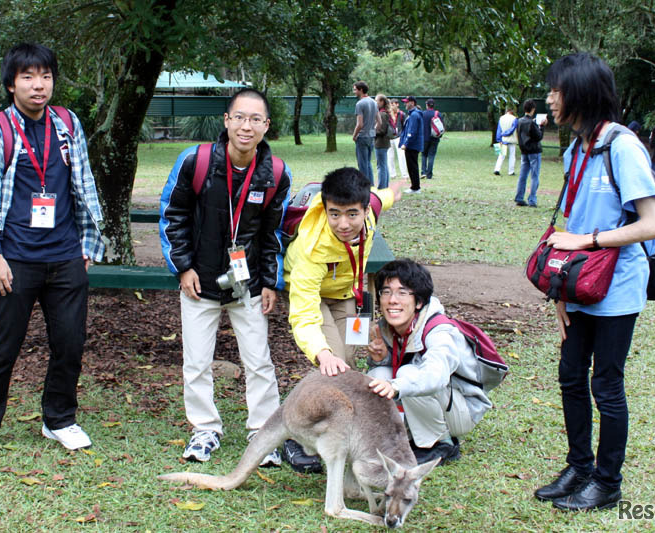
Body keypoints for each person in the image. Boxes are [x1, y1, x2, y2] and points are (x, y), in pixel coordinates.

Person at [0, 43, 105, 459]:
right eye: (27, 77)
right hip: (15, 259)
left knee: (70, 343)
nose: (38, 85)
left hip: (65, 256)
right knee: (2, 345)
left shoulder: (67, 123)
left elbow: (83, 184)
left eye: (44, 76)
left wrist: (84, 245)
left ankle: (59, 419)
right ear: (11, 84)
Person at [537, 52, 655, 512]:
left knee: (605, 384)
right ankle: (580, 467)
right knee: (570, 375)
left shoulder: (622, 146)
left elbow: (653, 224)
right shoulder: (577, 147)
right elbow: (571, 224)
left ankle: (607, 481)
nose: (551, 98)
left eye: (558, 89)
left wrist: (588, 240)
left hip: (618, 288)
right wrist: (561, 292)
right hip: (580, 287)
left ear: (582, 94)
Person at [159, 88, 291, 467]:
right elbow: (173, 215)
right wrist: (182, 267)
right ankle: (204, 429)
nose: (246, 126)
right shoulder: (195, 161)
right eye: (240, 117)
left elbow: (273, 233)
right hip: (199, 281)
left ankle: (263, 432)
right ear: (227, 120)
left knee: (259, 360)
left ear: (266, 125)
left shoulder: (276, 173)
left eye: (255, 119)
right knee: (197, 361)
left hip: (246, 282)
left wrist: (270, 281)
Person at [282, 167, 402, 472]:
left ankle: (333, 424)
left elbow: (381, 198)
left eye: (351, 214)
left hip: (347, 292)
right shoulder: (313, 246)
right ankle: (298, 435)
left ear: (364, 210)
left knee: (347, 360)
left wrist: (395, 191)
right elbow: (304, 311)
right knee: (332, 363)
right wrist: (319, 352)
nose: (343, 224)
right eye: (334, 214)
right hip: (312, 296)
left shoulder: (371, 207)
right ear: (324, 207)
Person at [366, 259, 493, 465]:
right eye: (386, 292)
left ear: (418, 301)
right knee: (376, 377)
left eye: (402, 292)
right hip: (433, 401)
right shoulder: (388, 327)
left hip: (462, 410)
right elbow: (389, 372)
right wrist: (380, 360)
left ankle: (442, 444)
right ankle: (405, 437)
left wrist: (396, 384)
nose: (392, 300)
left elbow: (435, 376)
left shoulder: (439, 330)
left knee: (408, 374)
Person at [515, 99, 547, 207]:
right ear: (533, 109)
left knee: (523, 175)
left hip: (524, 151)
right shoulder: (531, 123)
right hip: (534, 151)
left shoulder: (520, 121)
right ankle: (532, 200)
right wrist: (542, 127)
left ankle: (519, 197)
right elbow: (538, 137)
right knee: (534, 176)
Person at [352, 81, 380, 184]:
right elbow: (379, 121)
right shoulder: (374, 102)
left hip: (362, 137)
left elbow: (360, 124)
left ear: (361, 90)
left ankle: (364, 188)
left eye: (355, 89)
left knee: (362, 164)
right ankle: (371, 186)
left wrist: (354, 136)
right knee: (368, 163)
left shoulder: (360, 104)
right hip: (371, 137)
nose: (354, 92)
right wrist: (372, 131)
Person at [399, 96, 424, 194]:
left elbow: (412, 131)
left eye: (407, 102)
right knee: (412, 165)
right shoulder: (413, 114)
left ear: (412, 103)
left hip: (412, 145)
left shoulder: (414, 115)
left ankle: (415, 187)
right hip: (413, 144)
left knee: (412, 166)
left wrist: (406, 143)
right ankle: (415, 186)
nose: (405, 104)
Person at [421, 98, 443, 180]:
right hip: (435, 138)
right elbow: (442, 127)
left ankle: (423, 172)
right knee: (431, 155)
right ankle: (429, 174)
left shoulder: (423, 114)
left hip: (424, 138)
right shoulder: (438, 114)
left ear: (427, 105)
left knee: (424, 155)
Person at [387, 100, 409, 181]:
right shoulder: (388, 114)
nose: (392, 106)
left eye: (393, 104)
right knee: (390, 156)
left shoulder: (402, 114)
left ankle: (404, 174)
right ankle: (392, 174)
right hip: (389, 137)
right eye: (390, 105)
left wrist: (403, 136)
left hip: (399, 137)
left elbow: (405, 126)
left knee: (401, 156)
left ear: (397, 104)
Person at [374, 94, 392, 189]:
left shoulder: (382, 114)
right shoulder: (383, 113)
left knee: (381, 166)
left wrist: (372, 132)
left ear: (382, 102)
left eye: (376, 101)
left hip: (381, 143)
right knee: (383, 165)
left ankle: (382, 187)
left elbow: (382, 130)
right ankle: (385, 185)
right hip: (383, 143)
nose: (375, 102)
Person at [494, 107, 518, 176]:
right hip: (512, 140)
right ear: (512, 111)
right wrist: (505, 134)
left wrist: (499, 139)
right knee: (512, 155)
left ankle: (497, 169)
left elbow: (499, 130)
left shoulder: (501, 118)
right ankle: (511, 171)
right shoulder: (514, 119)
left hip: (502, 139)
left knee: (501, 155)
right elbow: (512, 129)